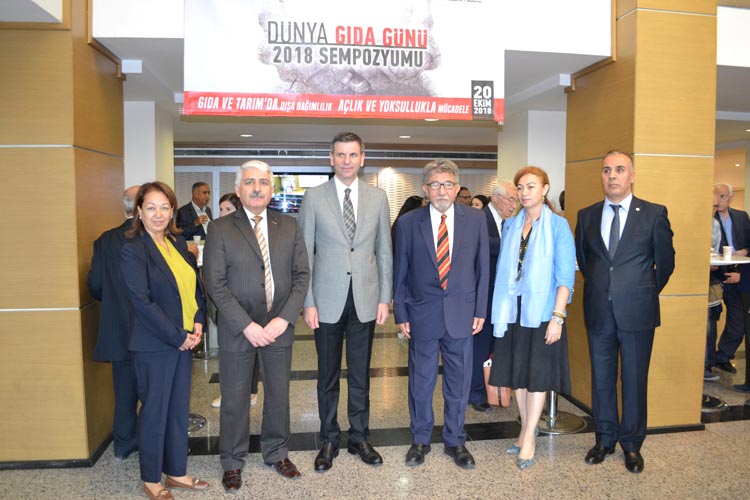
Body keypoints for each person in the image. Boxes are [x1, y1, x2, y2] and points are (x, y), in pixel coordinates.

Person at [204, 161, 310, 489]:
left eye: (263, 182)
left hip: (278, 326)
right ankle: (232, 460)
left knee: (278, 394)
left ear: (271, 189)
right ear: (238, 190)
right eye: (250, 182)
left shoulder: (289, 225)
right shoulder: (221, 228)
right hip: (238, 328)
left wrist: (284, 318)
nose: (257, 188)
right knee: (235, 397)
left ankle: (277, 452)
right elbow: (215, 283)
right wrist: (246, 324)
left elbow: (301, 276)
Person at [575, 151, 675, 474]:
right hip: (599, 311)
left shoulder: (654, 214)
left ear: (632, 176)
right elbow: (586, 262)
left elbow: (666, 263)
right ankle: (604, 439)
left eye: (619, 169)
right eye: (607, 170)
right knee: (602, 379)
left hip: (638, 311)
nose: (612, 176)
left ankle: (631, 444)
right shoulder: (587, 216)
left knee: (633, 379)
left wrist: (641, 291)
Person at [299, 132, 393, 472]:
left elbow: (385, 251)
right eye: (340, 154)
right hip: (325, 300)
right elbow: (304, 254)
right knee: (327, 374)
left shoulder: (378, 197)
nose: (347, 161)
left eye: (353, 154)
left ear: (362, 158)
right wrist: (308, 301)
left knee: (360, 374)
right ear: (331, 158)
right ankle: (328, 438)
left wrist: (384, 297)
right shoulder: (314, 197)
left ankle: (359, 437)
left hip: (365, 299)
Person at [393, 159, 489, 470]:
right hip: (422, 314)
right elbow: (401, 271)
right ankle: (420, 439)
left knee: (458, 383)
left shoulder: (475, 220)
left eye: (448, 184)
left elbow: (482, 268)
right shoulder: (409, 223)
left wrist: (480, 309)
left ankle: (455, 440)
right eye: (435, 184)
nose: (442, 190)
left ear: (457, 188)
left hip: (462, 314)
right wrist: (401, 312)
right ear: (425, 189)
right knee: (421, 382)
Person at [120, 182, 209, 500]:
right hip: (155, 345)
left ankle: (176, 472)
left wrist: (198, 321)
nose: (158, 214)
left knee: (177, 410)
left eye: (164, 207)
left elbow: (193, 287)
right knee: (155, 412)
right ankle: (151, 479)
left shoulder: (176, 242)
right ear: (139, 212)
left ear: (172, 211)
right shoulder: (133, 249)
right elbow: (141, 302)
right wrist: (177, 337)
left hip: (184, 340)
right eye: (151, 207)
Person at [489, 167, 575, 470]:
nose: (524, 193)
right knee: (518, 375)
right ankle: (528, 428)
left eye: (531, 186)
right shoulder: (512, 224)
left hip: (542, 312)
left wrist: (557, 317)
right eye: (520, 187)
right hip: (512, 309)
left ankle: (528, 438)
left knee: (536, 376)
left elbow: (565, 277)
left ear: (545, 189)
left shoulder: (558, 226)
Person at [87, 185, 140, 460]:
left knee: (124, 392)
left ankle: (123, 446)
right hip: (153, 330)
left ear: (125, 207)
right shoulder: (155, 238)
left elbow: (95, 286)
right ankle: (154, 443)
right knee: (156, 392)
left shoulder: (105, 240)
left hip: (118, 328)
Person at [468, 180, 517, 412]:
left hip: (501, 296)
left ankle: (492, 389)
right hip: (483, 295)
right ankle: (476, 392)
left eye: (516, 201)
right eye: (511, 199)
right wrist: (515, 243)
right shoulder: (478, 218)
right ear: (496, 198)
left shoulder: (509, 223)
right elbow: (482, 246)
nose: (514, 205)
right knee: (480, 345)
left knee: (495, 345)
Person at [209, 192, 261, 410]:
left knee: (252, 351)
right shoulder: (218, 231)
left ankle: (250, 391)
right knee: (229, 353)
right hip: (226, 304)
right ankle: (230, 393)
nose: (223, 213)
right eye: (221, 209)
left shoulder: (252, 234)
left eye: (228, 209)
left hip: (249, 304)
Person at [710, 182, 750, 374]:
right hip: (715, 276)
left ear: (730, 198)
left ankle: (723, 356)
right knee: (710, 322)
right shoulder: (709, 216)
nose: (718, 199)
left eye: (722, 196)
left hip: (738, 275)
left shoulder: (741, 217)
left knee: (737, 321)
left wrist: (745, 252)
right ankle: (707, 362)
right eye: (716, 195)